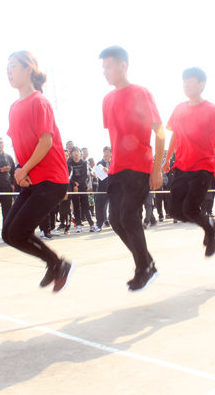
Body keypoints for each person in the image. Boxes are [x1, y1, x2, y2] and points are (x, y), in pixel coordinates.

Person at [3, 50, 74, 292]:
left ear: (29, 69)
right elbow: (18, 144)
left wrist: (24, 169)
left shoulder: (39, 102)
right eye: (7, 67)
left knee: (18, 231)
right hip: (32, 179)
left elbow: (45, 142)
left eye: (13, 66)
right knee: (9, 234)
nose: (8, 71)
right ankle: (56, 264)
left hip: (51, 179)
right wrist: (19, 169)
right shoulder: (14, 107)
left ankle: (57, 264)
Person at [100, 45, 164, 291]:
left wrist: (157, 169)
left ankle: (143, 269)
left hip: (139, 166)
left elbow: (160, 132)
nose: (105, 72)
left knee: (128, 216)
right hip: (116, 168)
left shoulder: (141, 93)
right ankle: (147, 263)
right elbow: (117, 136)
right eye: (103, 68)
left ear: (122, 66)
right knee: (115, 220)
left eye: (108, 67)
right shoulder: (107, 99)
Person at [163, 67, 215, 256]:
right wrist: (167, 159)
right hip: (181, 167)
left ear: (201, 85)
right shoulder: (179, 109)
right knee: (175, 211)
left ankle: (211, 233)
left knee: (190, 209)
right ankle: (210, 225)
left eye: (190, 82)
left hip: (202, 167)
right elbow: (175, 135)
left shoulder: (212, 110)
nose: (185, 86)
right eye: (184, 82)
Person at [67, 146, 98, 232]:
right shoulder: (69, 163)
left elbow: (85, 175)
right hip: (73, 187)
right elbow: (68, 175)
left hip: (83, 186)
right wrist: (74, 184)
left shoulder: (84, 162)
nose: (76, 153)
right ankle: (78, 224)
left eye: (77, 151)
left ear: (80, 153)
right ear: (71, 153)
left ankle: (91, 224)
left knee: (86, 206)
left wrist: (78, 183)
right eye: (74, 151)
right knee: (76, 206)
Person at [94, 146, 112, 229]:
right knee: (100, 206)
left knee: (113, 207)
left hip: (112, 188)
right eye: (105, 152)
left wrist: (108, 171)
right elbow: (98, 176)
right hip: (102, 188)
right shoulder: (99, 163)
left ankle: (112, 222)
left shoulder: (114, 163)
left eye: (108, 152)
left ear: (111, 153)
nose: (106, 154)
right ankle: (99, 224)